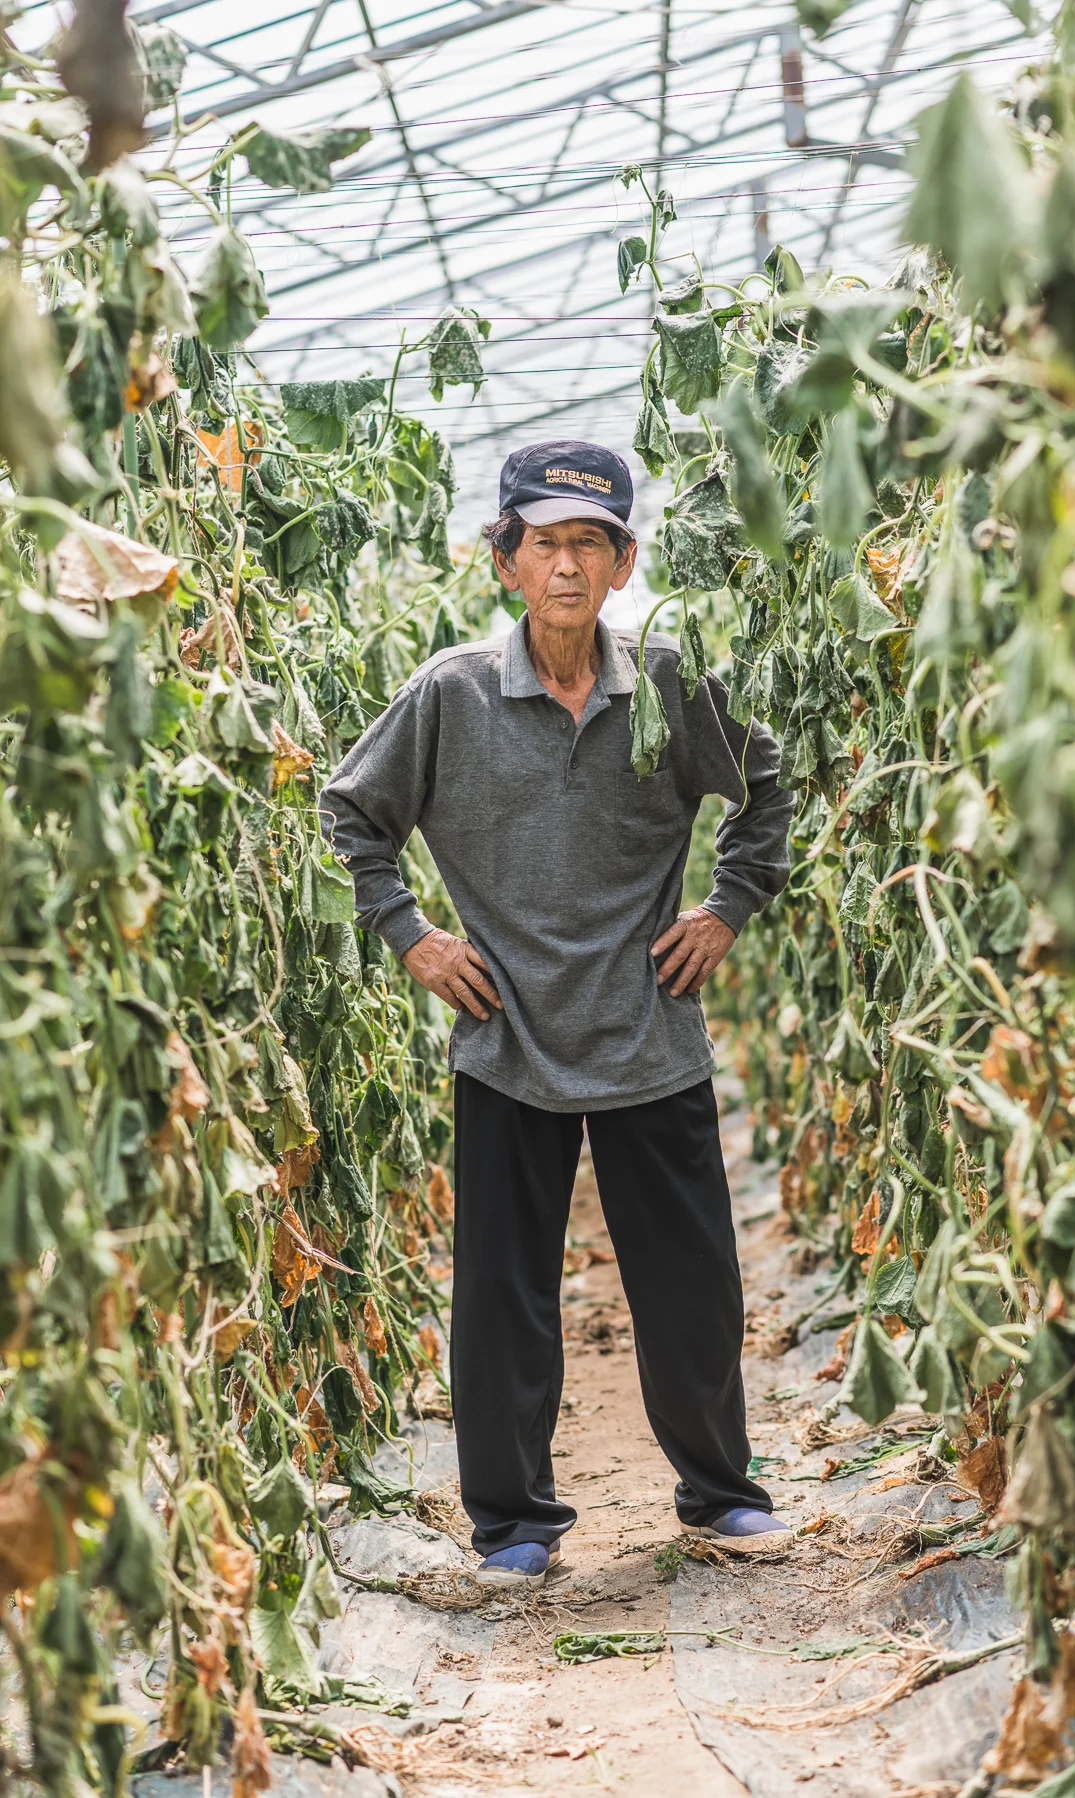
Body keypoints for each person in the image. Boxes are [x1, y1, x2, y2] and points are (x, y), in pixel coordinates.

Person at [319, 439, 795, 1590]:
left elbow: (769, 786)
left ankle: (721, 1492)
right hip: (506, 1039)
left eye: (591, 541)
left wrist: (727, 907)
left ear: (625, 562)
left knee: (690, 1282)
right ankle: (513, 1524)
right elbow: (352, 814)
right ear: (507, 563)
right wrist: (414, 937)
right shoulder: (452, 695)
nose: (568, 564)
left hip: (649, 1030)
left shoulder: (671, 687)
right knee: (501, 1291)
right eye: (545, 543)